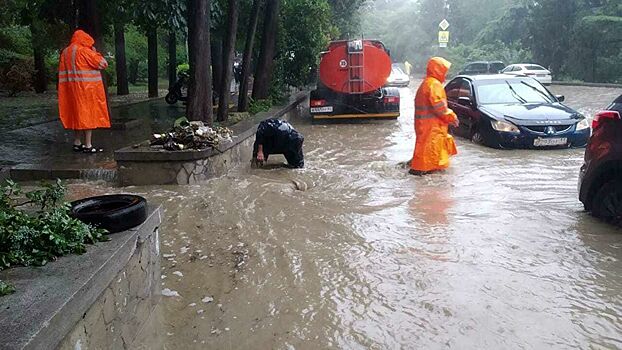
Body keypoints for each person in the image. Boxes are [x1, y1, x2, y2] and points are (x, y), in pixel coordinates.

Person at [58, 30, 110, 153]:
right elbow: (103, 64)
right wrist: (95, 52)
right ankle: (88, 145)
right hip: (86, 90)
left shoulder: (65, 52)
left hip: (70, 91)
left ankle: (77, 142)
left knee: (76, 115)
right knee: (88, 116)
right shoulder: (85, 51)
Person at [410, 57, 459, 175]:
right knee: (432, 156)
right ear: (438, 70)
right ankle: (423, 173)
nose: (446, 73)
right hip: (432, 128)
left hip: (425, 127)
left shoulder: (426, 84)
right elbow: (440, 108)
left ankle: (418, 170)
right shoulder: (434, 85)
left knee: (424, 152)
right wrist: (453, 117)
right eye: (444, 70)